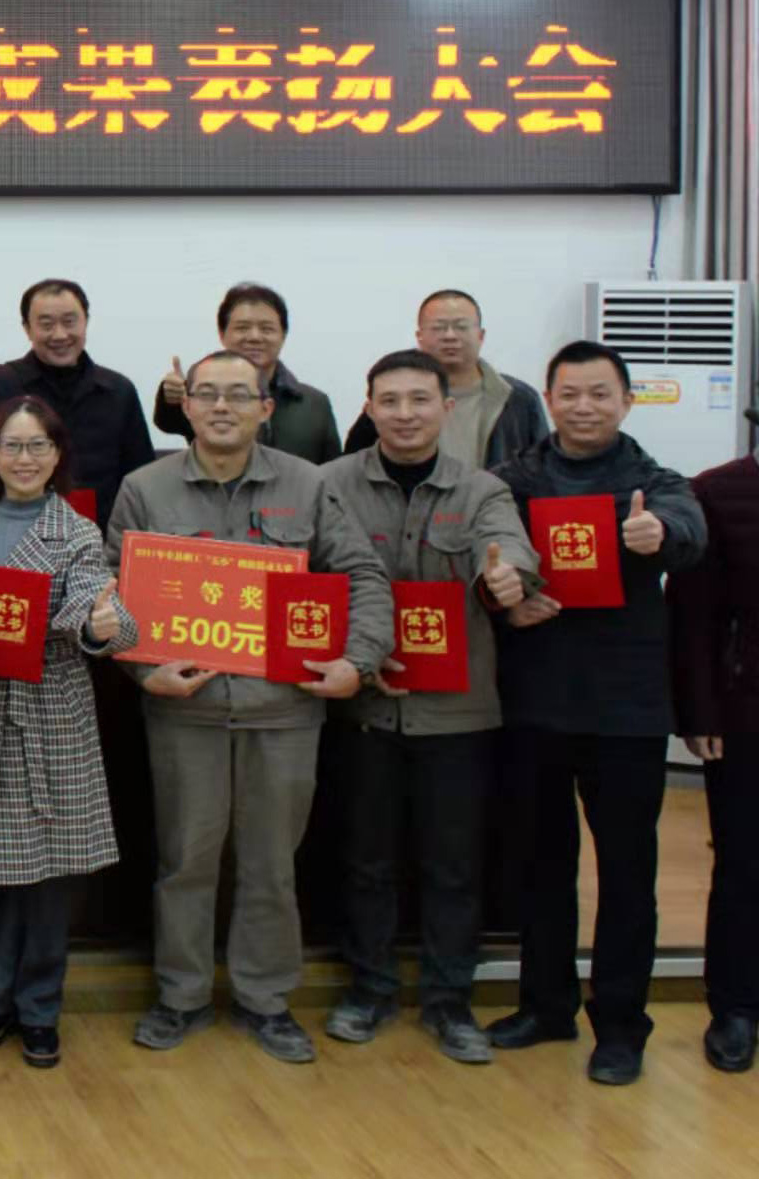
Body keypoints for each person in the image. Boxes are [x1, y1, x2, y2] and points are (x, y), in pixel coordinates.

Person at [104, 349, 390, 1065]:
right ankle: (181, 996)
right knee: (185, 861)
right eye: (207, 394)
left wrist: (357, 661)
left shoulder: (307, 483)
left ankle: (265, 999)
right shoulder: (144, 488)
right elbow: (109, 593)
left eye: (238, 395)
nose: (222, 407)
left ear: (266, 408)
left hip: (283, 711)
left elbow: (362, 574)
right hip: (185, 711)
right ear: (186, 407)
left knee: (270, 863)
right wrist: (141, 669)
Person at [488, 339, 706, 1086]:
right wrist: (500, 597)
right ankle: (545, 1006)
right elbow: (478, 561)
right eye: (570, 394)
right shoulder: (509, 483)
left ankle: (620, 1025)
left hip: (625, 710)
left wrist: (660, 534)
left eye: (600, 393)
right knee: (539, 868)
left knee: (627, 872)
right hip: (534, 704)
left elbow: (690, 530)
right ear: (548, 399)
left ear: (626, 401)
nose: (584, 407)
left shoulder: (657, 483)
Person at [317, 350, 537, 1065]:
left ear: (447, 407)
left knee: (453, 865)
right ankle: (370, 990)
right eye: (390, 401)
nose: (405, 414)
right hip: (363, 708)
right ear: (369, 408)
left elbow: (509, 551)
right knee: (366, 860)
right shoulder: (329, 484)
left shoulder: (482, 489)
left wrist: (509, 577)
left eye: (419, 400)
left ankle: (449, 1002)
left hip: (456, 714)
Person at [0, 396, 136, 1071]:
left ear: (57, 453)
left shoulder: (77, 529)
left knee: (48, 878)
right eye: (11, 445)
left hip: (51, 714)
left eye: (37, 445)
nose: (24, 458)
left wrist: (98, 624)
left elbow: (102, 608)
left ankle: (40, 1010)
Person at [669, 417, 759, 1074]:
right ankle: (735, 1007)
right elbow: (693, 617)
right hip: (745, 712)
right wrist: (698, 712)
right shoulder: (717, 490)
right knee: (743, 864)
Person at [0, 279, 156, 512]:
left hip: (103, 525)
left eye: (69, 322)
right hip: (18, 516)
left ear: (86, 322)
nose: (60, 334)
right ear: (27, 328)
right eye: (46, 324)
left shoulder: (118, 389)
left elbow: (140, 469)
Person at [344, 289, 550, 471]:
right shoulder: (390, 398)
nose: (450, 336)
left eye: (461, 327)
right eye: (438, 327)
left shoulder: (519, 398)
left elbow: (543, 467)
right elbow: (353, 466)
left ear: (481, 335)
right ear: (419, 336)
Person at [152, 283, 341, 464]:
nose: (254, 337)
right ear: (222, 334)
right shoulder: (203, 394)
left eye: (266, 329)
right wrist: (171, 397)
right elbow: (167, 422)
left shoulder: (315, 403)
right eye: (242, 328)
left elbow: (332, 471)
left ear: (283, 336)